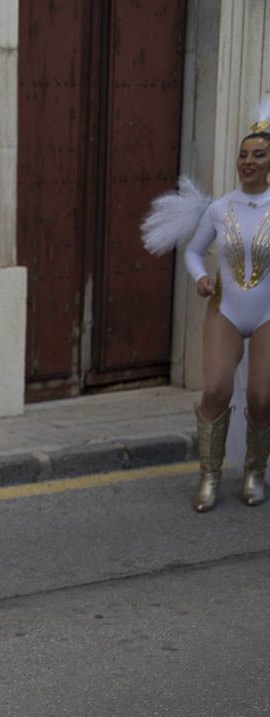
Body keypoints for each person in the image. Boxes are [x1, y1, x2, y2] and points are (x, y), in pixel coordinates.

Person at [143, 95, 270, 510]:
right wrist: (201, 279)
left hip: (268, 313)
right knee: (215, 389)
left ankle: (253, 472)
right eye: (243, 154)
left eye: (259, 155)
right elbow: (194, 252)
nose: (248, 161)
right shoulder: (220, 208)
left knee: (262, 397)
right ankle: (209, 477)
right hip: (226, 308)